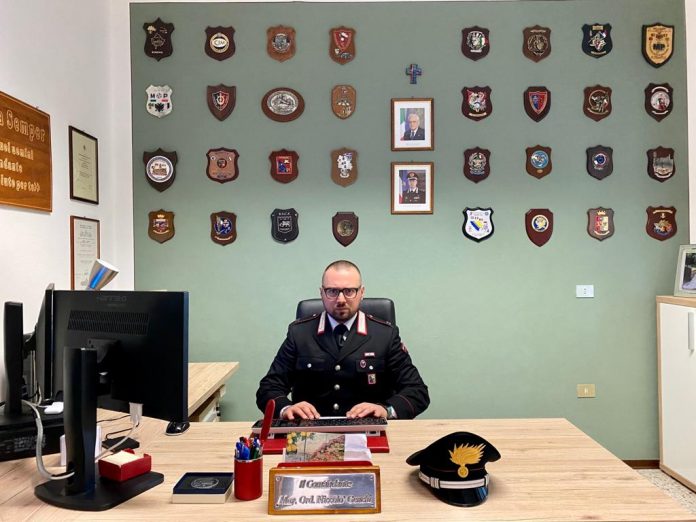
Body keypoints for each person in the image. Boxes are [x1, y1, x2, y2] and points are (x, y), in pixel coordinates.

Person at [256, 260, 429, 420]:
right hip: (310, 431)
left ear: (361, 293)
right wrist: (286, 409)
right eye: (332, 291)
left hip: (369, 431)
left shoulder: (385, 335)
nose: (341, 300)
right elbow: (268, 388)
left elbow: (417, 391)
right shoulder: (299, 333)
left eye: (349, 291)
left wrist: (386, 410)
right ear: (322, 293)